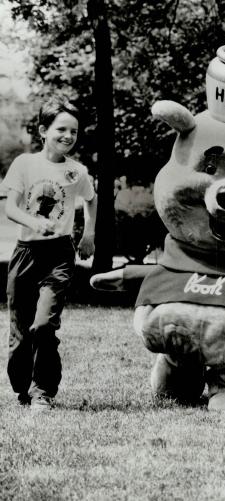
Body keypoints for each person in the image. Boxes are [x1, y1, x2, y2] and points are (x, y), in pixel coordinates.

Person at [2, 95, 97, 411]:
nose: (68, 136)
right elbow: (11, 209)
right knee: (20, 328)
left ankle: (43, 392)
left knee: (44, 325)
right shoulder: (25, 164)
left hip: (58, 255)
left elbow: (91, 199)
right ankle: (23, 388)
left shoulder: (77, 172)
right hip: (25, 253)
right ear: (43, 130)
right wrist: (33, 222)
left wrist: (89, 235)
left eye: (73, 131)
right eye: (61, 129)